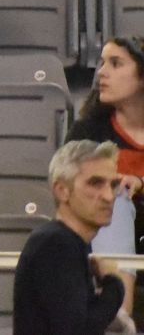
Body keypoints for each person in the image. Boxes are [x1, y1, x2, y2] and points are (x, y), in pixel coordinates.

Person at [12, 140, 127, 335]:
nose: (109, 196)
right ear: (62, 190)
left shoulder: (67, 242)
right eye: (95, 183)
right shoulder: (56, 243)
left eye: (114, 184)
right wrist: (114, 285)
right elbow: (76, 330)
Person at [69, 38, 144, 255]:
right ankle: (119, 288)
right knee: (114, 195)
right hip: (103, 240)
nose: (101, 72)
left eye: (115, 63)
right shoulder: (87, 133)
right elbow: (69, 191)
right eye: (102, 63)